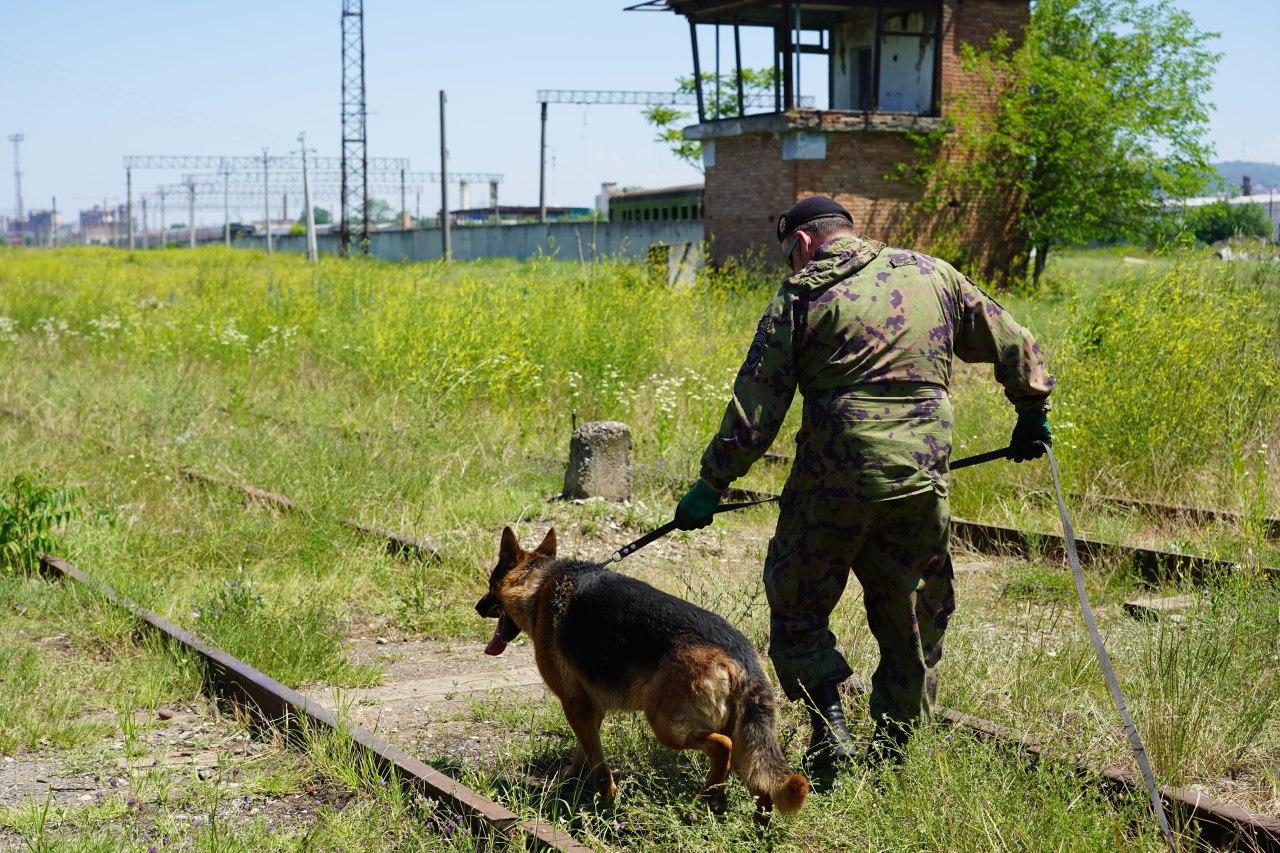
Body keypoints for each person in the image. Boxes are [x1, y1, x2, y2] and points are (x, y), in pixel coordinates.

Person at [673, 197, 1054, 768]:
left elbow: (756, 409)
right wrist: (1031, 412)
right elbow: (1015, 341)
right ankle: (896, 749)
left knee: (797, 607)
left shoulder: (800, 296)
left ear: (803, 243)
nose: (792, 265)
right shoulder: (933, 275)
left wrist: (711, 485)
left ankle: (830, 727)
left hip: (830, 487)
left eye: (789, 255)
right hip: (919, 482)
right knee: (913, 617)